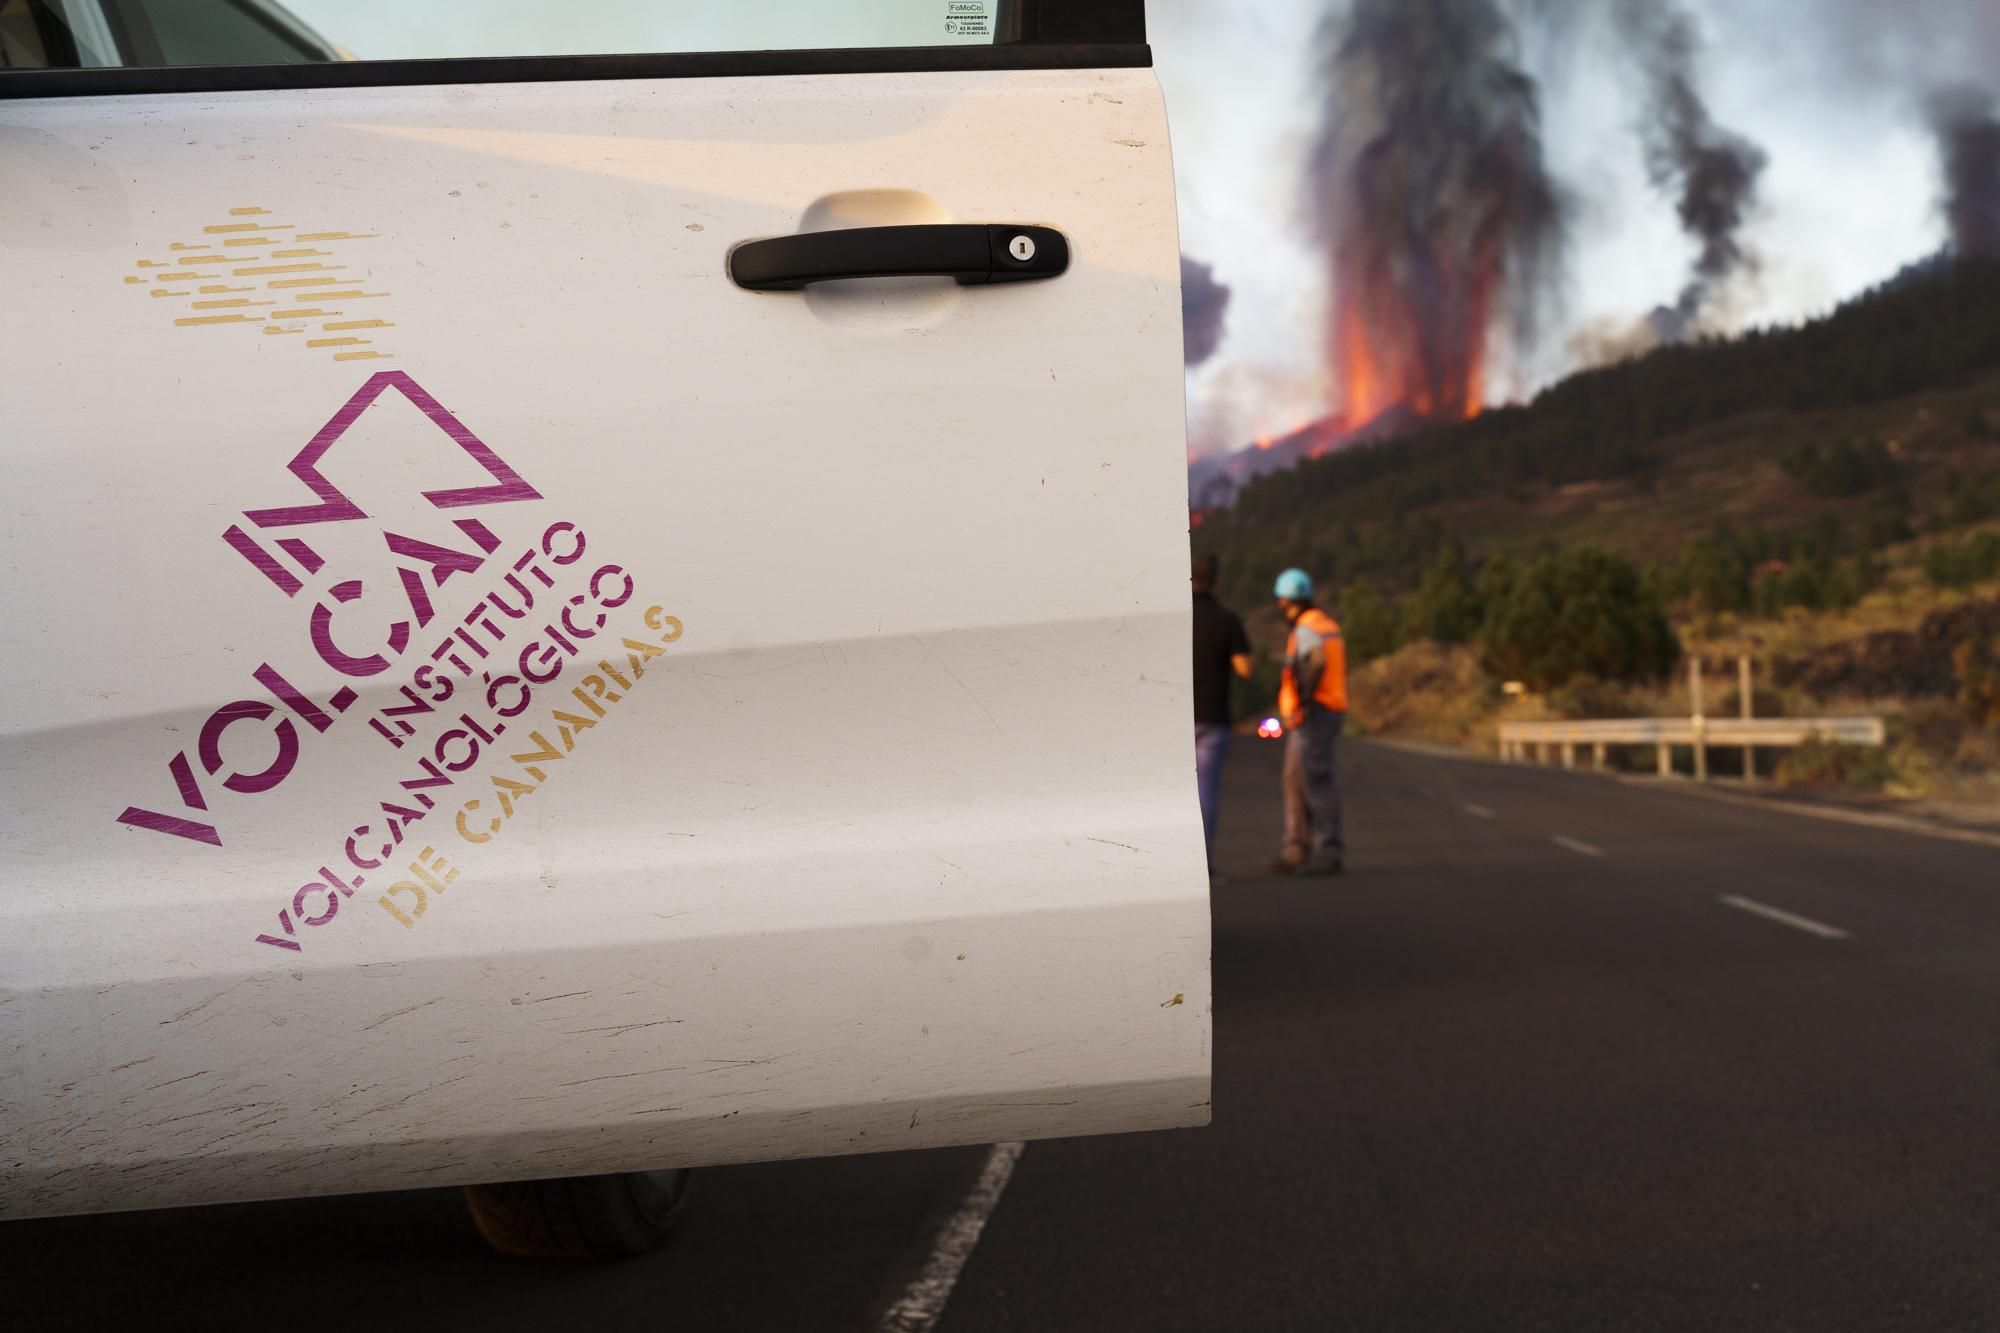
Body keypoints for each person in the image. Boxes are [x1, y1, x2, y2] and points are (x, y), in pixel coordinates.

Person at [1272, 568, 1347, 877]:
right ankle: (1296, 848)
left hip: (1315, 712)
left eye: (1280, 600)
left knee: (1316, 778)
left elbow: (1316, 661)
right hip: (1320, 711)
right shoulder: (1325, 623)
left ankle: (1327, 850)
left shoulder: (1306, 628)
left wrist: (1304, 697)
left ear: (1287, 601)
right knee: (1295, 777)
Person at [1191, 553, 1252, 883]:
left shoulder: (1176, 618)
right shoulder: (1226, 619)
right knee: (1205, 791)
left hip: (1175, 718)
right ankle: (1203, 864)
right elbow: (1245, 669)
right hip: (1212, 716)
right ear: (1216, 579)